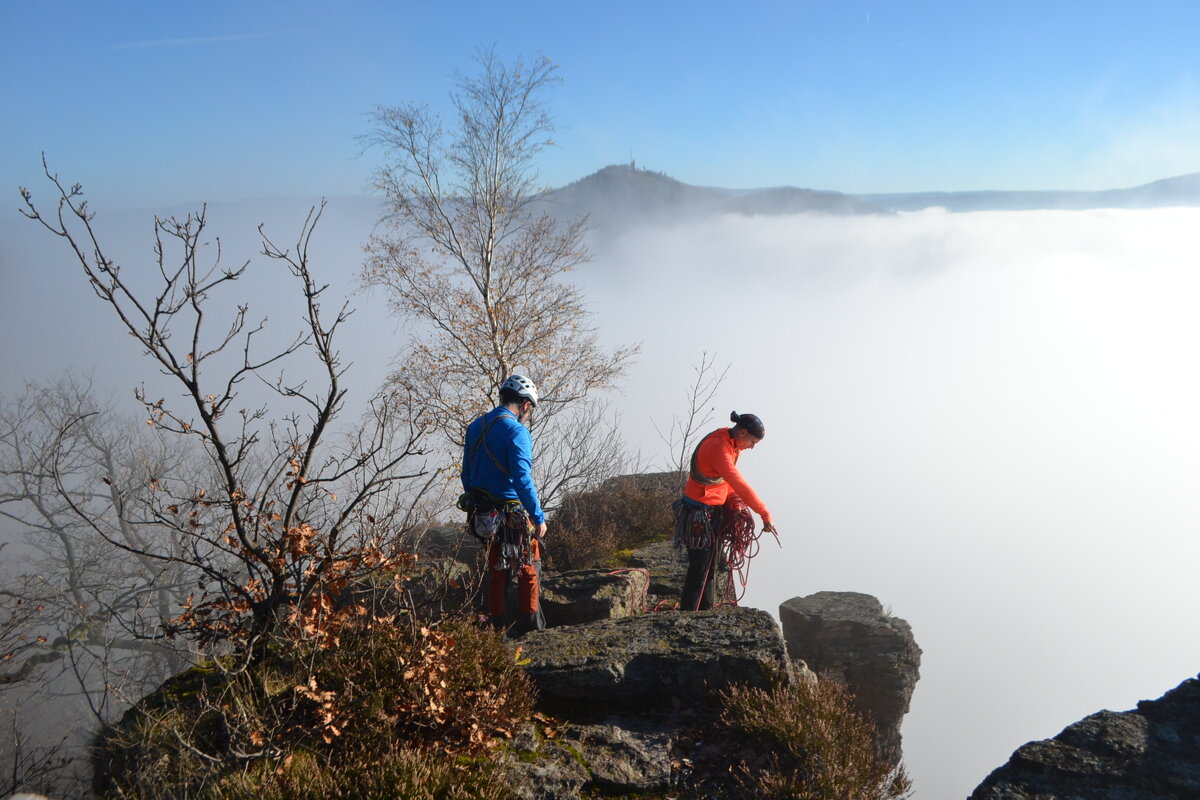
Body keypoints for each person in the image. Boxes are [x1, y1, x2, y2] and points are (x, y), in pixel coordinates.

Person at [461, 374, 547, 636]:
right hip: (513, 516)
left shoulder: (475, 427)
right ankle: (531, 630)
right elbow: (522, 479)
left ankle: (499, 631)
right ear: (525, 405)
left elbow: (466, 474)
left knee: (497, 571)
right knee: (528, 571)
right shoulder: (517, 431)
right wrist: (538, 517)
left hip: (483, 515)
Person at [674, 410, 777, 611]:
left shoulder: (730, 444)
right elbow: (737, 482)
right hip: (698, 515)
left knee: (710, 567)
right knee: (699, 568)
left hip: (712, 513)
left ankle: (705, 611)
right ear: (742, 433)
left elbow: (724, 484)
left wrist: (736, 504)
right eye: (752, 442)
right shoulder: (719, 447)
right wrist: (764, 513)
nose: (752, 447)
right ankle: (688, 615)